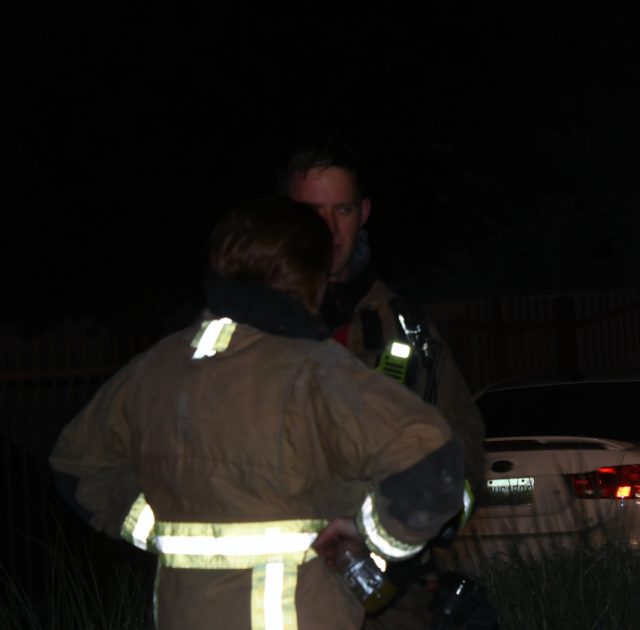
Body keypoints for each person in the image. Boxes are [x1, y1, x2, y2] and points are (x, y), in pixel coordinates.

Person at [49, 197, 465, 630]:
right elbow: (433, 470)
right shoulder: (316, 372)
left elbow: (77, 467)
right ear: (315, 278)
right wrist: (368, 536)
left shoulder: (154, 369)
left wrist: (165, 530)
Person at [281, 137, 488, 628]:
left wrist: (432, 519)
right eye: (312, 213)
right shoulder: (255, 331)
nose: (329, 230)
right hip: (283, 596)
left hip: (394, 602)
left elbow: (465, 445)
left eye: (343, 210)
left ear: (364, 213)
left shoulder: (403, 325)